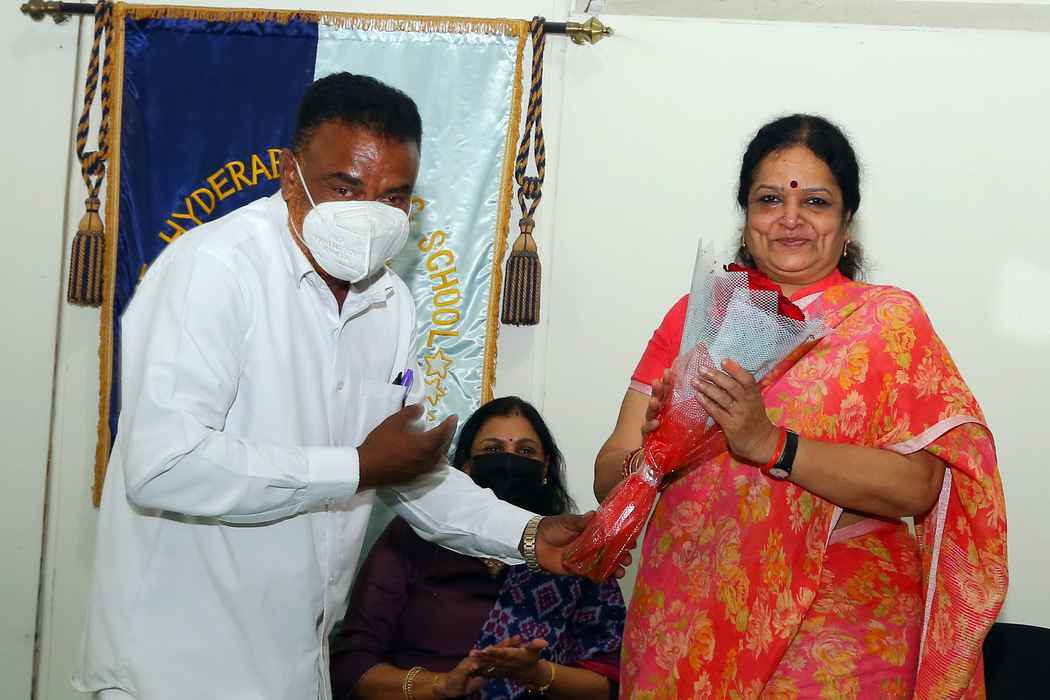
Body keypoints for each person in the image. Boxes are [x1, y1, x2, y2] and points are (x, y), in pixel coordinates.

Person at [74, 73, 624, 700]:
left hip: (295, 663)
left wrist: (525, 536)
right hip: (174, 664)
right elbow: (164, 464)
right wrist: (356, 467)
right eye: (345, 187)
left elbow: (407, 472)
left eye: (394, 196)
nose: (369, 213)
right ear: (291, 175)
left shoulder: (390, 302)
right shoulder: (215, 270)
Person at [595, 115, 1007, 698]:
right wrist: (657, 452)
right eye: (770, 199)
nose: (790, 218)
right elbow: (606, 477)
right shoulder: (696, 316)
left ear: (846, 223)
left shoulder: (885, 322)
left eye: (815, 201)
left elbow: (919, 487)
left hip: (835, 630)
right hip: (685, 622)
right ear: (746, 218)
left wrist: (772, 445)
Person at [330, 396, 626, 700]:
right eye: (492, 450)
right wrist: (440, 686)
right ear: (466, 466)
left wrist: (539, 674)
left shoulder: (572, 551)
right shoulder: (412, 537)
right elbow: (351, 665)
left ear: (546, 467)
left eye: (526, 451)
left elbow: (615, 681)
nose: (509, 460)